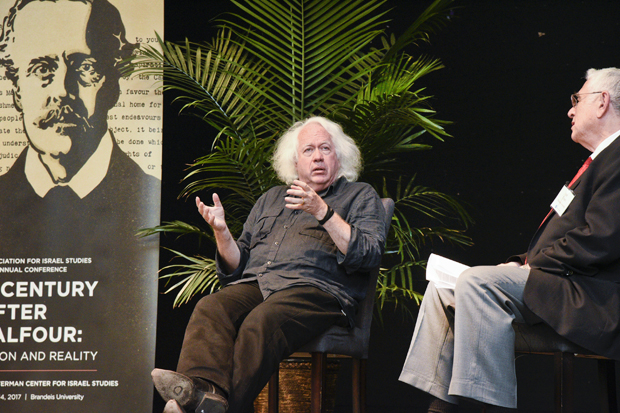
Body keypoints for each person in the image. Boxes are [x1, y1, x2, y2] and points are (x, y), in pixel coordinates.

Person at [399, 67, 620, 412]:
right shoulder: (598, 161)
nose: (571, 110)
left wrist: (532, 266)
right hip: (557, 284)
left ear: (603, 102)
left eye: (577, 99)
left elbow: (600, 239)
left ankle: (488, 406)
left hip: (589, 298)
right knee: (443, 291)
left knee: (475, 282)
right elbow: (563, 237)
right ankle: (439, 405)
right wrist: (520, 262)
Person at [151, 116, 388, 413]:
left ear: (338, 157)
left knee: (261, 322)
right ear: (295, 162)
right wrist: (223, 233)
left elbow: (368, 253)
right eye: (308, 150)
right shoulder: (271, 199)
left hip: (316, 290)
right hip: (259, 284)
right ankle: (204, 395)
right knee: (211, 307)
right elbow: (236, 268)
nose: (317, 156)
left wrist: (323, 212)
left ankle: (204, 410)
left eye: (325, 148)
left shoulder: (359, 195)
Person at [0, 1, 160, 412]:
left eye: (84, 66)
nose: (62, 90)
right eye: (41, 69)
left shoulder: (155, 208)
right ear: (15, 88)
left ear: (114, 83)